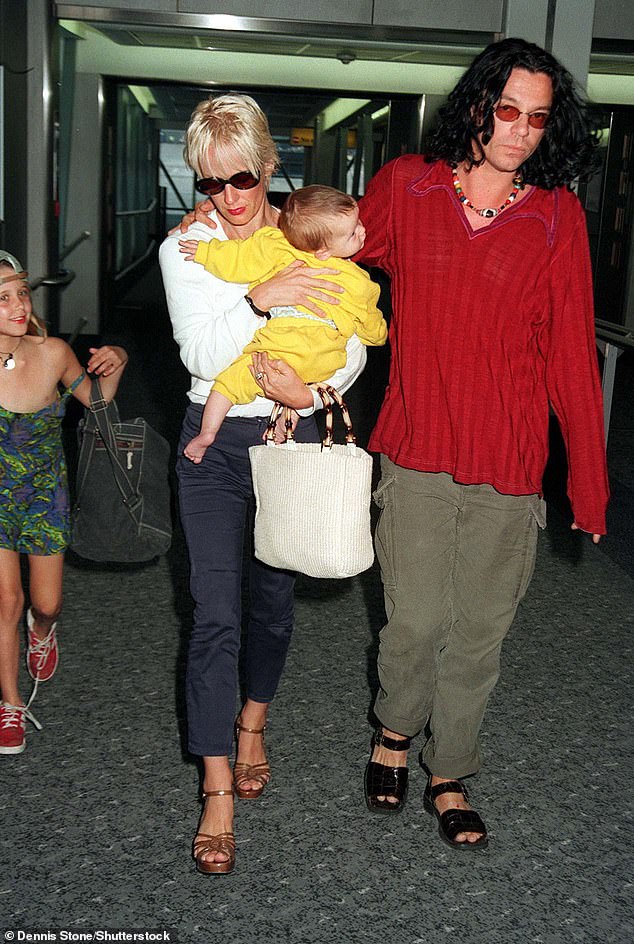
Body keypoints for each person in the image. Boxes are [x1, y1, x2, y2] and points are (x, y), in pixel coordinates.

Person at [356, 37, 609, 849]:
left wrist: (590, 484)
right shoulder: (408, 186)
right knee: (415, 619)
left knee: (479, 631)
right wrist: (238, 235)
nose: (520, 131)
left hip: (508, 457)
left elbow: (571, 352)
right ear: (474, 106)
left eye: (537, 119)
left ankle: (449, 769)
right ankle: (395, 731)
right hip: (418, 441)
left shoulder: (556, 216)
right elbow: (334, 255)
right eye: (507, 111)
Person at [158, 94, 367, 874]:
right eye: (211, 183)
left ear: (269, 166)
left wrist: (310, 394)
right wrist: (259, 299)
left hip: (290, 432)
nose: (229, 198)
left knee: (273, 601)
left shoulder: (307, 230)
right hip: (211, 446)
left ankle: (253, 723)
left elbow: (350, 337)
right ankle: (215, 787)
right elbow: (202, 355)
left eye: (242, 177)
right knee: (213, 609)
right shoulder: (186, 249)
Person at [0, 250, 127, 755]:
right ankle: (9, 704)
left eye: (21, 292)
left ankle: (43, 632)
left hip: (42, 495)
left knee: (45, 603)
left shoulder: (51, 353)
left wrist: (119, 360)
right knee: (6, 601)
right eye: (3, 297)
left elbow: (98, 401)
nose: (18, 303)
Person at [178, 184, 386, 462]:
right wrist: (380, 333)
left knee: (226, 385)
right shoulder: (359, 283)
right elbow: (373, 331)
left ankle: (206, 433)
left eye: (357, 223)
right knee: (304, 384)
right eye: (352, 233)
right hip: (320, 361)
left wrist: (205, 252)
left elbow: (237, 260)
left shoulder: (276, 246)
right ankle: (286, 418)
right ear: (323, 252)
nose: (362, 230)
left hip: (271, 352)